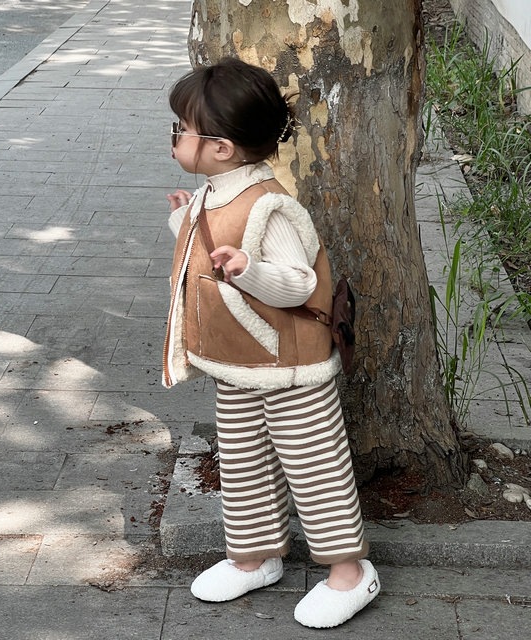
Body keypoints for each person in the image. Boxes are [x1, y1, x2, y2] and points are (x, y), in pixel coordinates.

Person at [163, 57, 379, 629]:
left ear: (221, 148)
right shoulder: (213, 193)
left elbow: (299, 283)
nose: (175, 138)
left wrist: (249, 270)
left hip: (289, 367)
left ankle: (350, 572)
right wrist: (185, 222)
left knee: (314, 464)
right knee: (243, 463)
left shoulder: (270, 205)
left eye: (182, 129)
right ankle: (253, 557)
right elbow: (204, 251)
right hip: (238, 363)